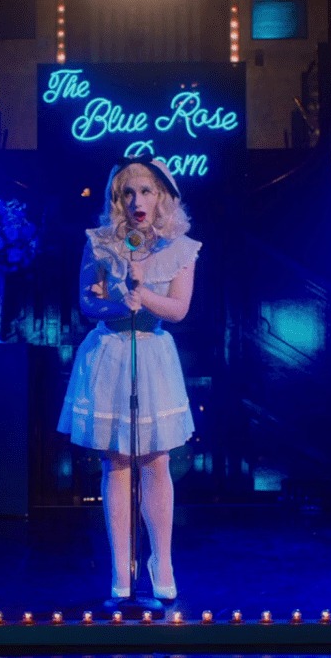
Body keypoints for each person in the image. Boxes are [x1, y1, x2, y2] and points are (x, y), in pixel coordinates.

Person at [57, 155, 200, 601]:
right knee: (116, 462)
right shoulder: (100, 242)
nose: (137, 200)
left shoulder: (181, 248)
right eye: (128, 193)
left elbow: (178, 309)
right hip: (111, 354)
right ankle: (122, 567)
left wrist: (143, 294)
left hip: (152, 355)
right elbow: (87, 303)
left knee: (156, 460)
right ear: (118, 199)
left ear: (161, 197)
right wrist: (119, 304)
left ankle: (162, 561)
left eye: (146, 191)